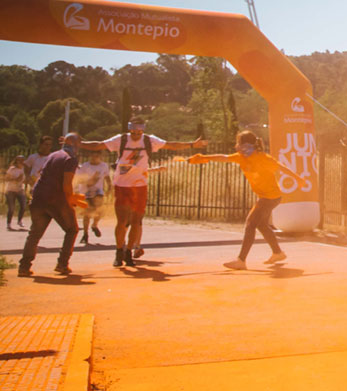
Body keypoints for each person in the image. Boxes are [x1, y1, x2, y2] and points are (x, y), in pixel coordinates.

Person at [82, 116, 206, 267]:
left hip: (140, 186)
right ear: (129, 129)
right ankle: (119, 251)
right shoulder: (121, 140)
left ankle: (129, 251)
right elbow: (98, 145)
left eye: (139, 131)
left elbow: (171, 145)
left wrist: (192, 144)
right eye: (133, 131)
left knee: (136, 221)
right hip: (122, 185)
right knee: (122, 221)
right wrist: (78, 143)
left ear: (143, 130)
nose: (136, 134)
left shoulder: (149, 141)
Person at [186, 129, 304, 269]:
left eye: (239, 143)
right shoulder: (241, 157)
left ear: (247, 145)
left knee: (250, 224)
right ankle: (277, 253)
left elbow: (281, 167)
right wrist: (203, 157)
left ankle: (241, 260)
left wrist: (298, 178)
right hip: (266, 197)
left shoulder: (263, 158)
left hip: (271, 197)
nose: (237, 146)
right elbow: (223, 157)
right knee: (261, 225)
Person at [17, 133, 86, 276]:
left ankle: (24, 267)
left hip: (38, 197)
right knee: (72, 229)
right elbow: (66, 183)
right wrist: (70, 200)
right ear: (75, 145)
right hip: (56, 199)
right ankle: (62, 264)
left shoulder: (53, 155)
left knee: (34, 234)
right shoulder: (70, 159)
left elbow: (41, 174)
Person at [74, 147, 112, 245]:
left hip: (98, 191)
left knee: (100, 210)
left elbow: (107, 177)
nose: (95, 158)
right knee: (87, 214)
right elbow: (80, 179)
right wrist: (90, 181)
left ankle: (94, 225)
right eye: (93, 156)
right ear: (90, 156)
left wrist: (109, 187)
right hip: (86, 191)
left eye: (97, 156)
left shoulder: (103, 166)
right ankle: (85, 234)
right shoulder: (85, 166)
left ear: (100, 156)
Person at [5, 155, 28, 229]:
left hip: (20, 190)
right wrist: (16, 179)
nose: (21, 162)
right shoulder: (12, 169)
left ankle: (19, 221)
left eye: (22, 160)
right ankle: (9, 223)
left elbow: (24, 179)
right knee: (11, 208)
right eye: (19, 160)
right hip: (11, 190)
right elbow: (6, 178)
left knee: (23, 205)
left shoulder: (23, 169)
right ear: (16, 161)